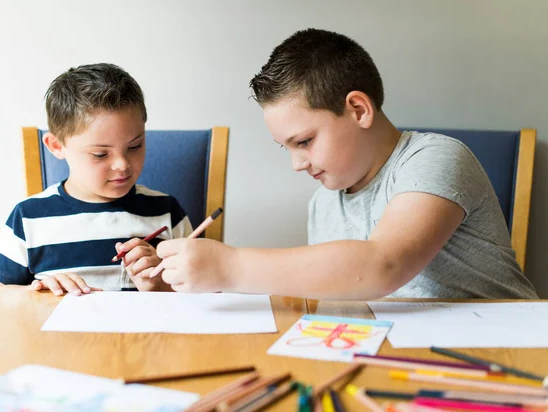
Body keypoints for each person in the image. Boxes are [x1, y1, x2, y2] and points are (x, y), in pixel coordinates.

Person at [152, 28, 537, 299]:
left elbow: (382, 266)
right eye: (284, 147)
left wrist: (231, 267)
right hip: (399, 358)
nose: (296, 164)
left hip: (502, 351)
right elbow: (340, 291)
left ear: (358, 109)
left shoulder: (436, 157)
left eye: (303, 141)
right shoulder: (324, 203)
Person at [0, 63, 192, 295]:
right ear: (56, 146)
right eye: (100, 154)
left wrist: (163, 287)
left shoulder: (167, 212)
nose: (122, 164)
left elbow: (206, 297)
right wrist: (38, 293)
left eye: (135, 146)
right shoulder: (28, 218)